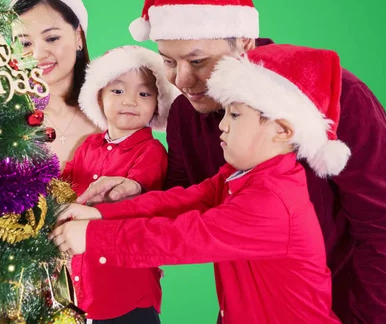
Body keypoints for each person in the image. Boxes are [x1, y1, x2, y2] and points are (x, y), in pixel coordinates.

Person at [75, 0, 386, 323]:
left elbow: (385, 235)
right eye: (169, 62)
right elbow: (192, 204)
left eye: (197, 61)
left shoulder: (335, 97)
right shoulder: (185, 114)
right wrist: (132, 193)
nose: (181, 82)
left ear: (244, 41)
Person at [53, 44, 348, 323]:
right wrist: (102, 213)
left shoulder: (272, 200)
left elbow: (181, 237)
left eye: (235, 114)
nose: (222, 124)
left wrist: (94, 237)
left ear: (281, 130)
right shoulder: (242, 176)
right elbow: (182, 200)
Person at [62, 45, 179, 323]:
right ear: (99, 96)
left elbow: (139, 205)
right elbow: (62, 188)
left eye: (144, 93)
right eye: (117, 91)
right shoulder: (86, 146)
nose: (130, 101)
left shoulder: (151, 151)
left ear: (157, 103)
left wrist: (128, 189)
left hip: (129, 284)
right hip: (85, 280)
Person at [11, 0, 98, 170]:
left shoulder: (111, 109)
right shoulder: (6, 121)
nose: (37, 55)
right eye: (25, 43)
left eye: (51, 38)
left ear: (79, 37)